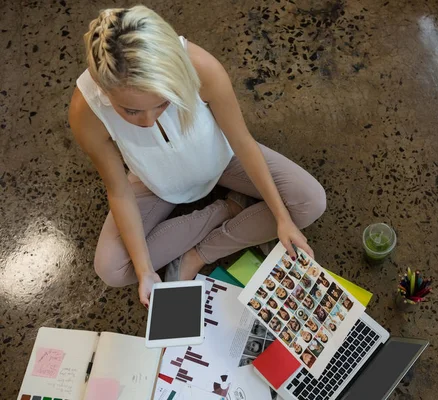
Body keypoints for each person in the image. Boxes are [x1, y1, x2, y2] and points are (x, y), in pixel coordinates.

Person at [69, 5, 326, 307]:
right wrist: (145, 271)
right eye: (131, 111)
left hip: (222, 160)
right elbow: (119, 191)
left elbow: (242, 141)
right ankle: (229, 208)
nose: (149, 121)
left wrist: (283, 219)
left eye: (163, 103)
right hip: (153, 181)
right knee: (112, 269)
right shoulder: (85, 112)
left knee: (310, 203)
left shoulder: (201, 67)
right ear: (102, 87)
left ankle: (200, 253)